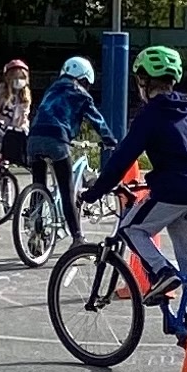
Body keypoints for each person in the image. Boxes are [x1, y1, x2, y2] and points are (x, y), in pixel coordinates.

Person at [80, 46, 187, 307]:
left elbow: (123, 157)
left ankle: (162, 273)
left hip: (173, 191)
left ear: (142, 81)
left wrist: (94, 192)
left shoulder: (150, 114)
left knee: (131, 228)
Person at [27, 56, 115, 248]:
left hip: (33, 138)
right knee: (67, 189)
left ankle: (35, 231)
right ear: (84, 78)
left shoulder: (52, 89)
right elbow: (97, 120)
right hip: (56, 139)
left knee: (38, 185)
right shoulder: (80, 93)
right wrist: (110, 141)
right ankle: (77, 238)